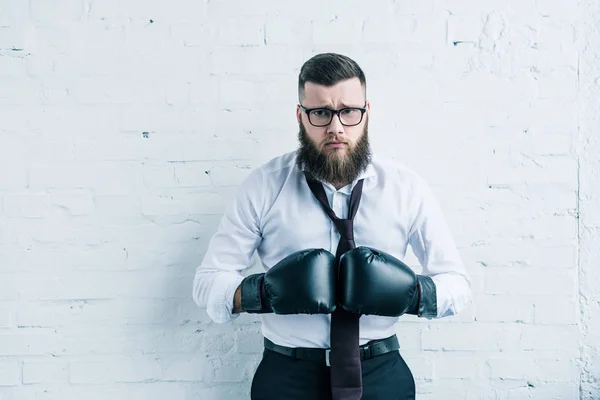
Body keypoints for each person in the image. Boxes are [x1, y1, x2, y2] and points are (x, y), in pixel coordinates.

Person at [192, 53, 471, 400]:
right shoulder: (263, 186)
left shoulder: (406, 188)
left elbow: (457, 285)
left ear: (366, 113)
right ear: (300, 116)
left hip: (381, 374)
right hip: (287, 377)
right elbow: (207, 283)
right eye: (321, 113)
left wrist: (412, 294)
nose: (336, 127)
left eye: (348, 112)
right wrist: (263, 293)